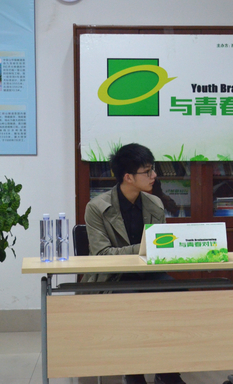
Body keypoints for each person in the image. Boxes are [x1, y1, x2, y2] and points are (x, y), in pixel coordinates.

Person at [84, 143, 186, 384]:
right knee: (129, 299)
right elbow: (102, 255)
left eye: (153, 169)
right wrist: (144, 248)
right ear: (128, 177)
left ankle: (168, 370)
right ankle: (133, 371)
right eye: (147, 171)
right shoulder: (96, 208)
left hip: (148, 273)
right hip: (114, 278)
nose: (154, 175)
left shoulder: (155, 204)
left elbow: (161, 250)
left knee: (176, 292)